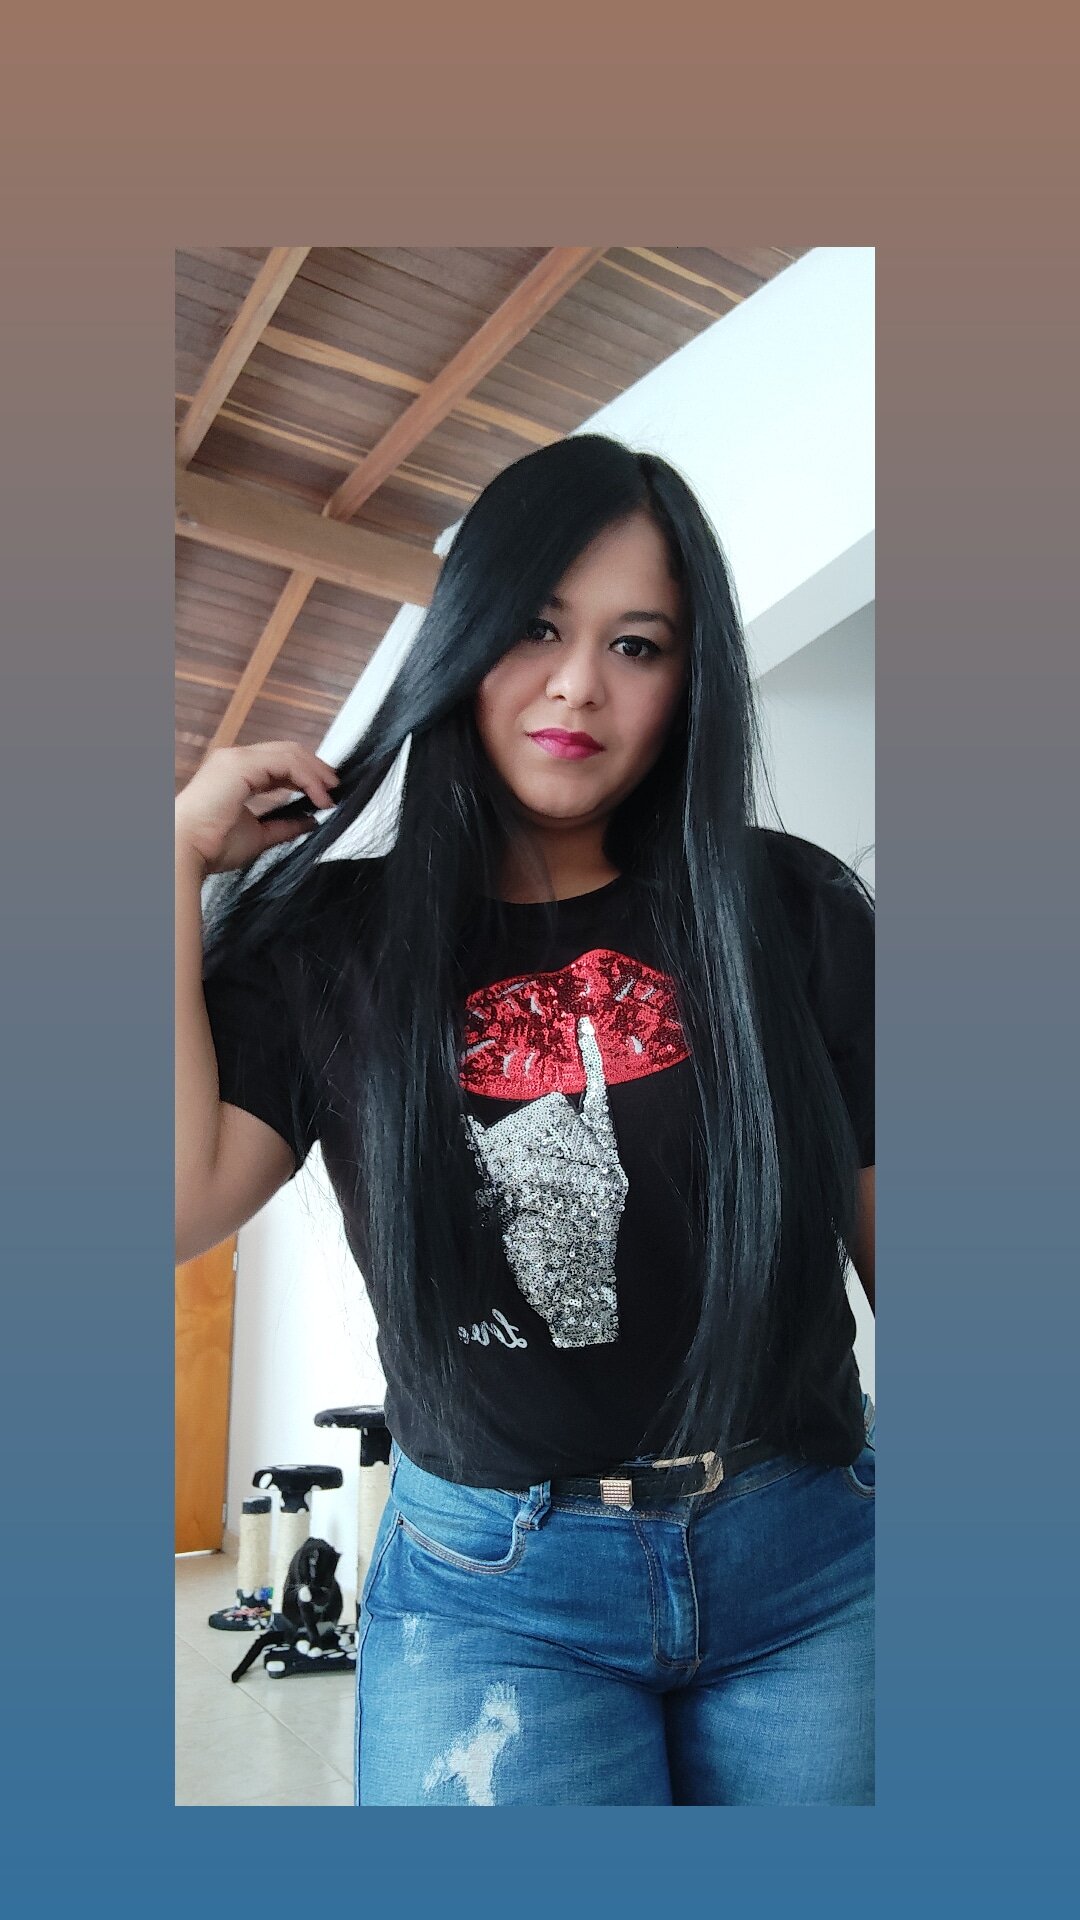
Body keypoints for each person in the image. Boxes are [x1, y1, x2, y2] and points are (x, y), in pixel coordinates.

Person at [175, 434, 875, 1806]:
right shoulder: (332, 942)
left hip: (813, 1564)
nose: (577, 685)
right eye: (538, 628)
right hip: (492, 1595)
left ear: (689, 682)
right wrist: (172, 859)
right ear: (465, 637)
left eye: (637, 644)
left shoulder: (792, 911)